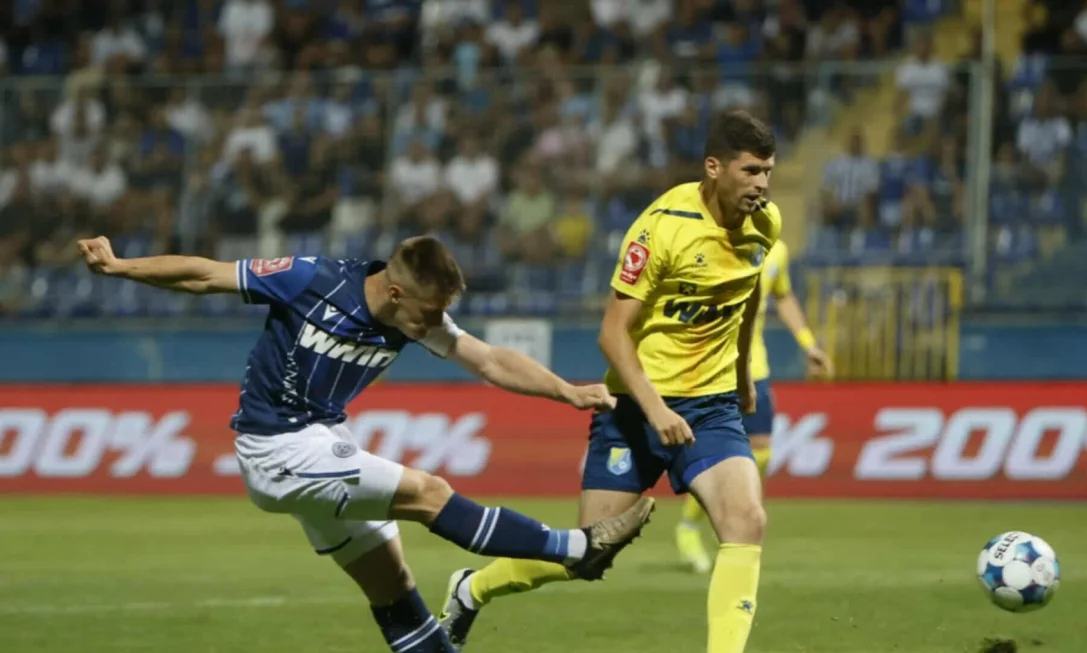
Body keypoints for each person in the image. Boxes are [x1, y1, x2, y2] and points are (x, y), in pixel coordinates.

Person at [76, 235, 655, 653]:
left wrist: (566, 391)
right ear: (396, 292)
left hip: (322, 440)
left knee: (393, 587)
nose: (437, 322)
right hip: (276, 446)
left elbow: (488, 359)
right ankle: (577, 548)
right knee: (429, 493)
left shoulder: (413, 316)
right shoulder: (312, 279)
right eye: (431, 311)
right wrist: (121, 266)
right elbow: (206, 275)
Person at [438, 109, 781, 653]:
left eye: (768, 172)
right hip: (635, 408)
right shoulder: (662, 227)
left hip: (711, 407)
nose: (762, 184)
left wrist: (742, 375)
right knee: (587, 554)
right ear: (714, 168)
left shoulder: (765, 223)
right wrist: (656, 409)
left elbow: (748, 292)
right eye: (751, 171)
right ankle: (471, 588)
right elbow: (612, 334)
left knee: (746, 520)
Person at [675, 237, 833, 573]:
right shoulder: (712, 242)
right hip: (710, 370)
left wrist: (808, 344)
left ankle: (731, 517)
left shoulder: (777, 250)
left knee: (762, 450)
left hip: (753, 368)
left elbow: (783, 295)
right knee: (712, 456)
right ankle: (690, 527)